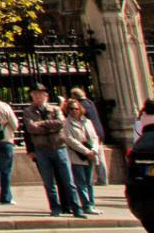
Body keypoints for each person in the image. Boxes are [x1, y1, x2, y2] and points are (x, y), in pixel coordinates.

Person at [21, 85, 82, 218]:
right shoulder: (28, 111)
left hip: (59, 148)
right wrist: (50, 127)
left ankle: (76, 208)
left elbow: (61, 123)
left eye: (41, 94)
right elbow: (31, 128)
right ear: (32, 96)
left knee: (68, 181)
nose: (38, 97)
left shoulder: (54, 109)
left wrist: (41, 124)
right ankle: (55, 208)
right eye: (35, 94)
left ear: (46, 96)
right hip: (42, 149)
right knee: (49, 183)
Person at [62, 98, 101, 216]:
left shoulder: (87, 121)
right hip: (77, 155)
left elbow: (94, 137)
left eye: (76, 108)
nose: (74, 111)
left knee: (89, 181)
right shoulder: (66, 123)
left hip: (90, 154)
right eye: (71, 109)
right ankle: (86, 205)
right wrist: (85, 151)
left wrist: (93, 149)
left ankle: (92, 204)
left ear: (80, 109)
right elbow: (69, 140)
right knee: (81, 182)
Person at [67, 87, 106, 188]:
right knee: (99, 156)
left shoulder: (81, 105)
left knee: (95, 157)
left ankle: (101, 179)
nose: (74, 110)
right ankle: (102, 178)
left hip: (89, 132)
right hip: (99, 130)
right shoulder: (90, 102)